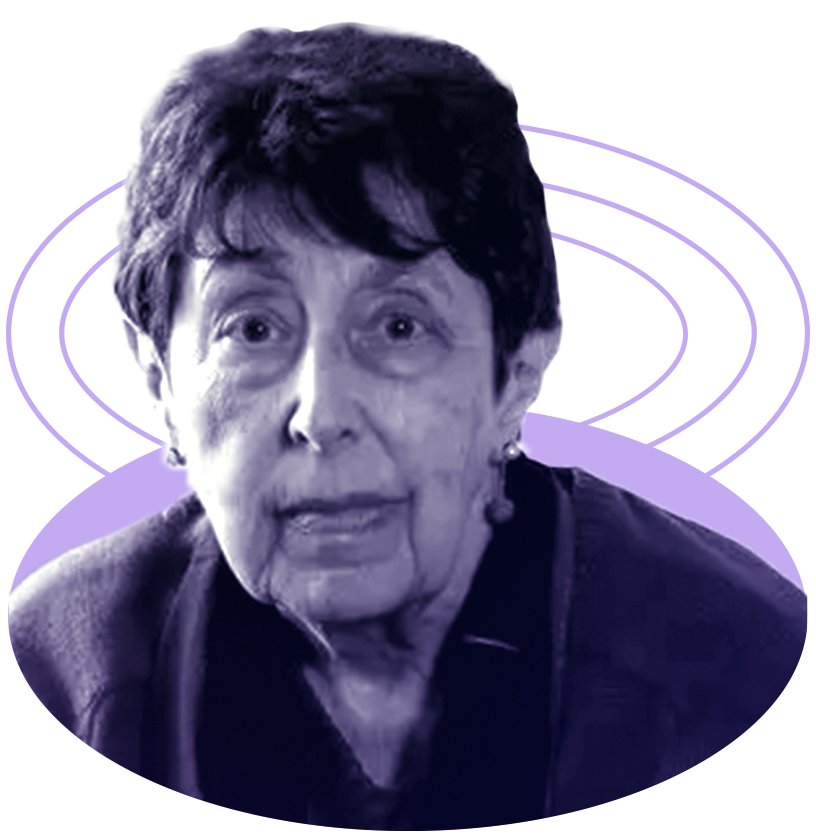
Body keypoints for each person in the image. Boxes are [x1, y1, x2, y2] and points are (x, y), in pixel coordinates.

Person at [8, 23, 807, 830]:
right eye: (252, 328)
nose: (322, 416)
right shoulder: (57, 675)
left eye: (399, 327)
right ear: (159, 382)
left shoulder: (744, 666)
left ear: (518, 370)